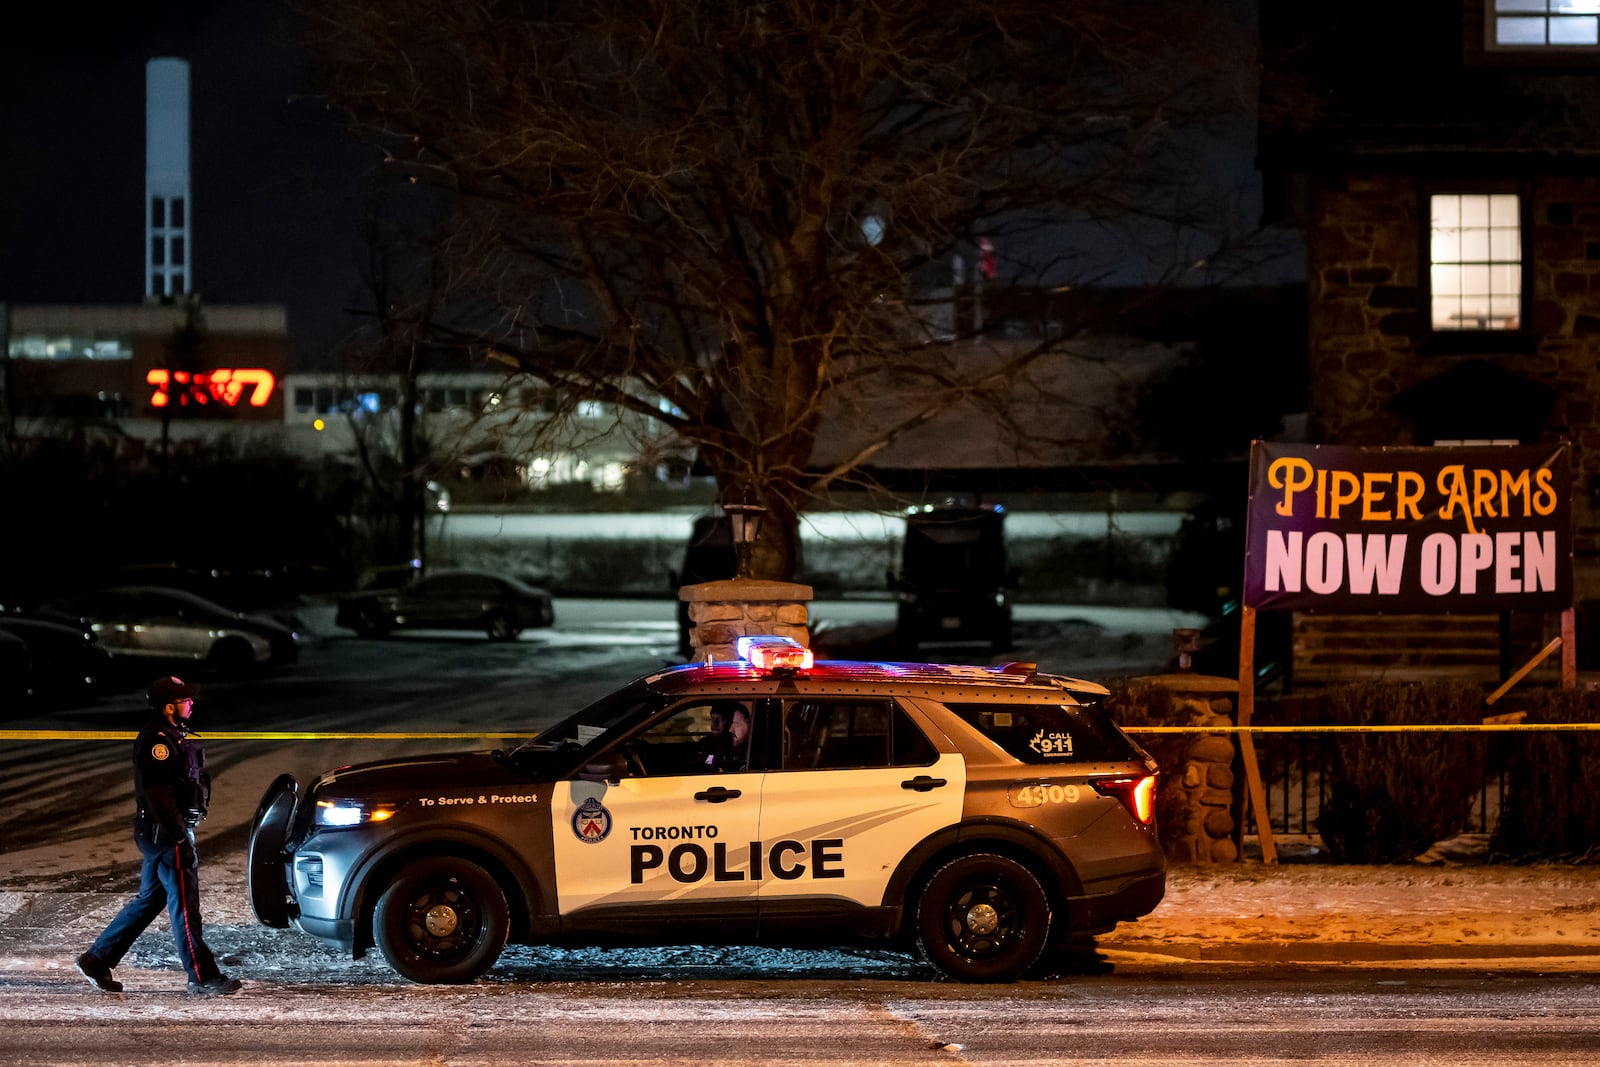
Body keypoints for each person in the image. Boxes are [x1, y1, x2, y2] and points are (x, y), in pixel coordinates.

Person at [75, 676, 242, 997]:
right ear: (169, 707)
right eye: (186, 700)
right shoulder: (158, 741)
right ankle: (202, 975)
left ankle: (97, 960)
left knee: (150, 899)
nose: (192, 703)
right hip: (166, 833)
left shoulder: (172, 735)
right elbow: (157, 792)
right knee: (184, 907)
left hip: (162, 830)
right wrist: (179, 834)